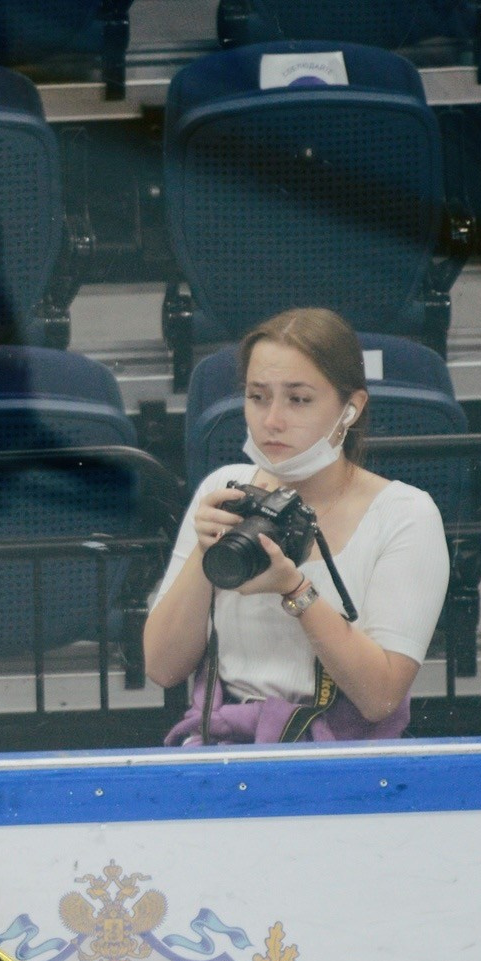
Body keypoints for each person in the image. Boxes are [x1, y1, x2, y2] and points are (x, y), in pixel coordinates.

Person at [142, 307, 451, 743]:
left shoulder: (405, 513)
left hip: (344, 759)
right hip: (223, 745)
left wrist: (295, 590)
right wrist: (203, 553)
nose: (272, 421)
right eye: (257, 396)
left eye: (298, 399)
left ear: (351, 408)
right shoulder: (224, 489)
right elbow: (162, 667)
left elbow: (380, 697)